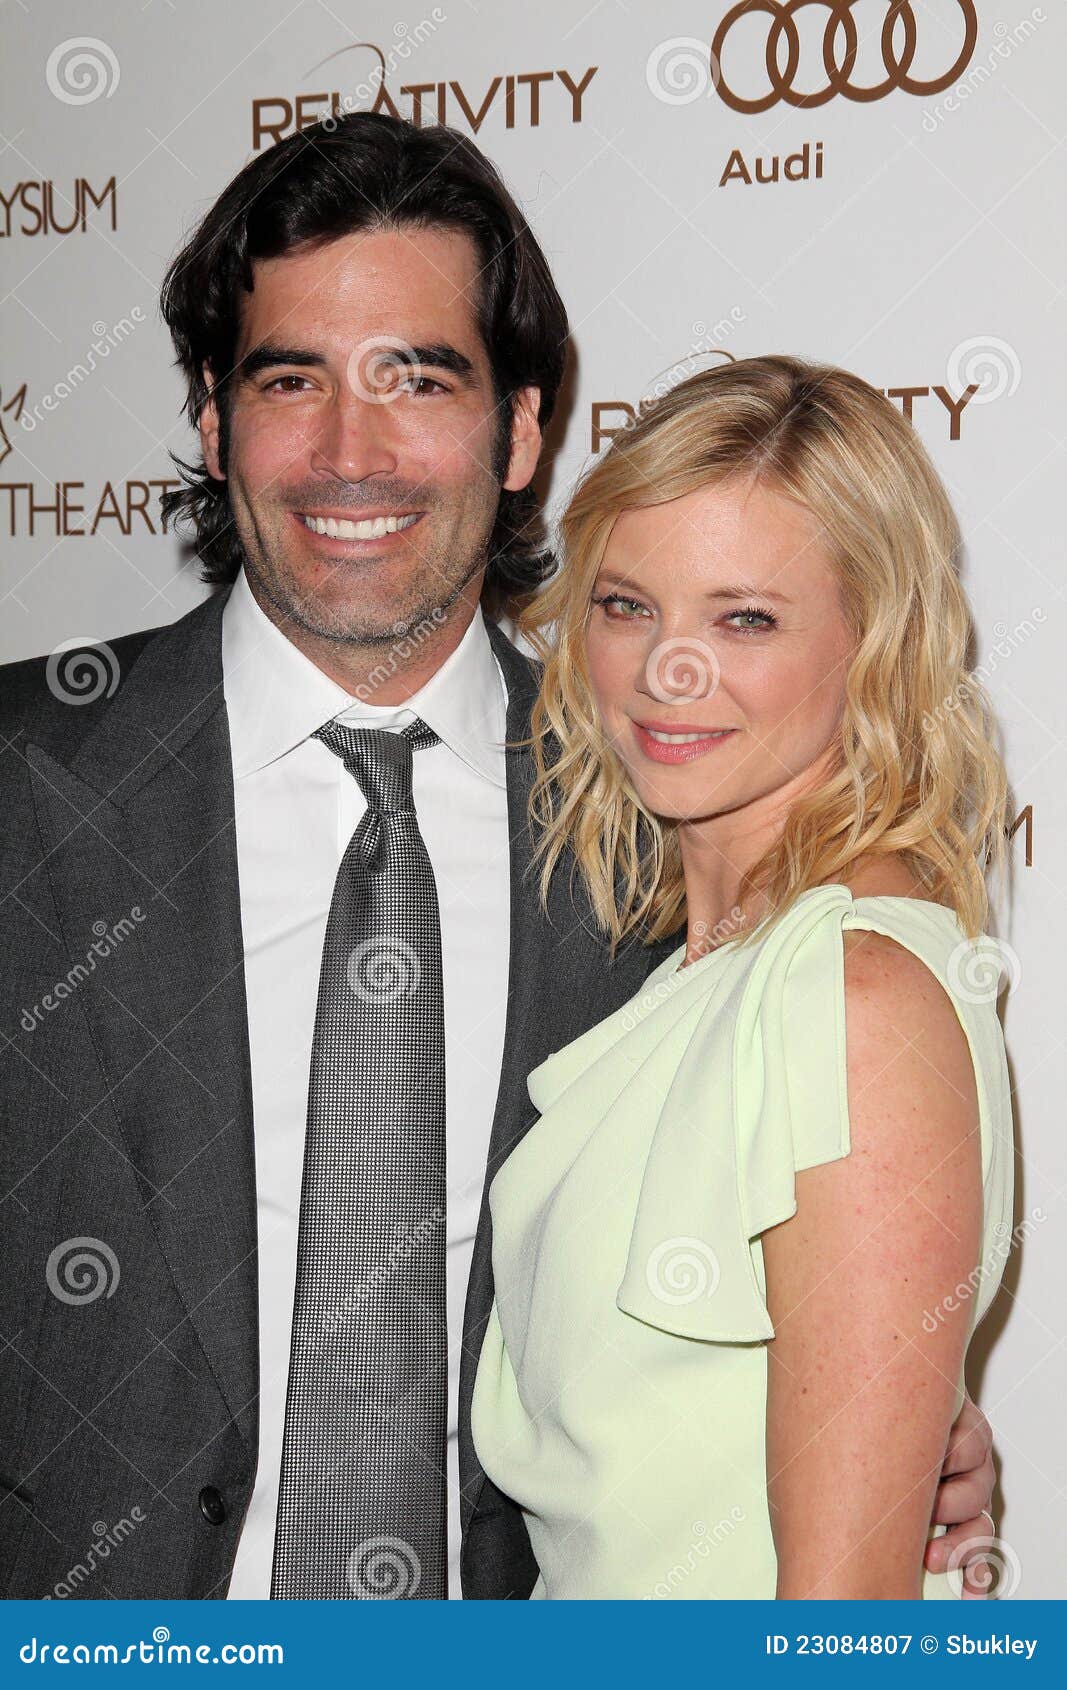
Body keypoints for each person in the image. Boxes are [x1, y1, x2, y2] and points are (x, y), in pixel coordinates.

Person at [0, 116, 996, 1601]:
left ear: (520, 431)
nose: (351, 453)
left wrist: (883, 1410)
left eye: (417, 378)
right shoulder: (26, 787)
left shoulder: (657, 834)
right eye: (290, 380)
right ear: (212, 420)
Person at [471, 354, 1016, 1599]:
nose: (666, 669)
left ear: (872, 641)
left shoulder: (850, 995)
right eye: (625, 605)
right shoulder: (696, 972)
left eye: (744, 619)